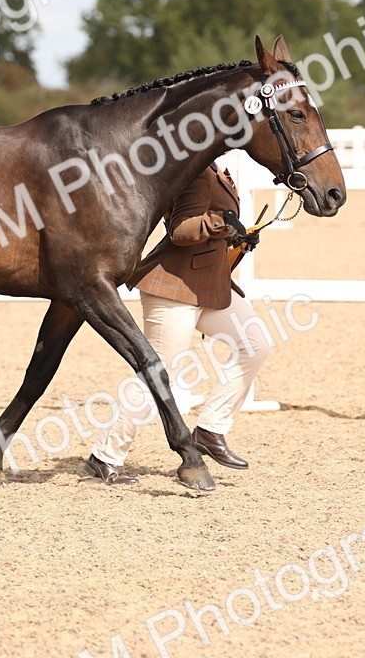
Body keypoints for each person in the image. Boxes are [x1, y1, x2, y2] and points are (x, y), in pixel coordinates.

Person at [84, 162, 272, 485]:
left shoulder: (214, 168)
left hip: (209, 285)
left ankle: (210, 430)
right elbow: (180, 230)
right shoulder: (195, 170)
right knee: (156, 375)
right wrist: (219, 222)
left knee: (255, 343)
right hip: (174, 288)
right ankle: (105, 456)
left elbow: (213, 227)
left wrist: (237, 237)